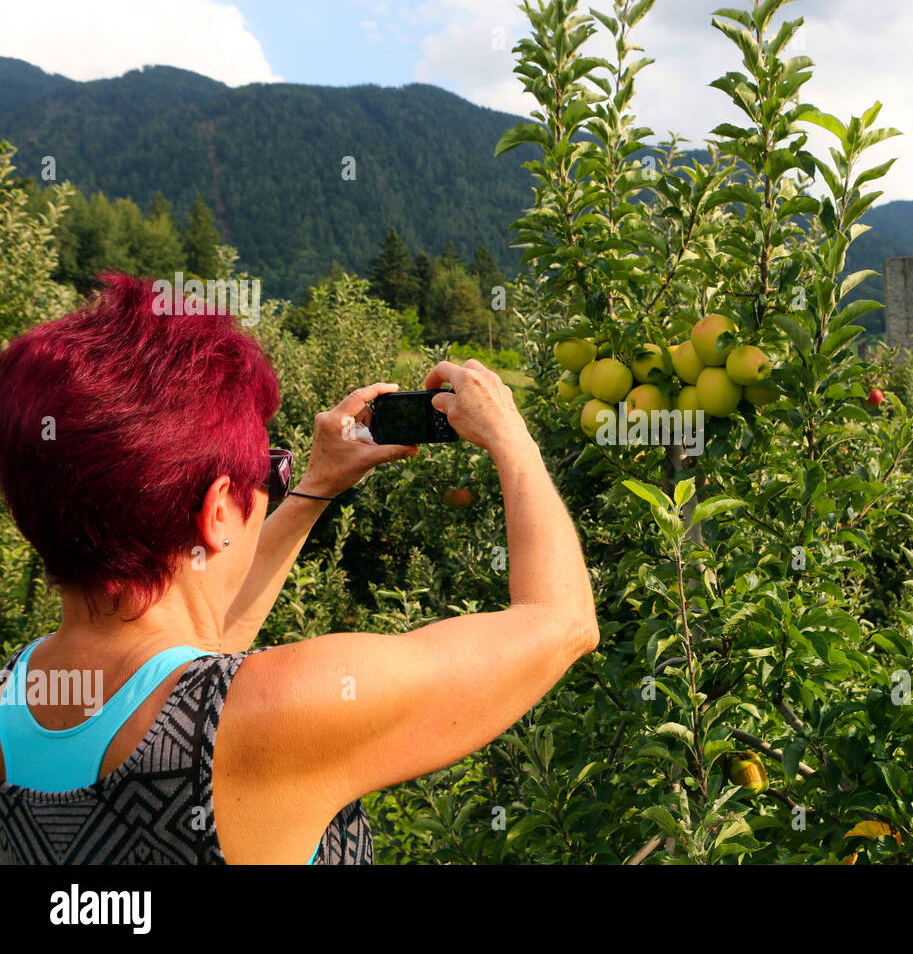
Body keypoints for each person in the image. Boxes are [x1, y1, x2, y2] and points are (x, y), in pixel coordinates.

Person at [0, 274, 599, 863]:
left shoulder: (17, 697)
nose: (270, 491)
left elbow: (187, 662)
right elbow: (560, 622)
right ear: (216, 511)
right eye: (269, 474)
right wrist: (511, 436)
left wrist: (313, 486)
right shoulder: (286, 711)